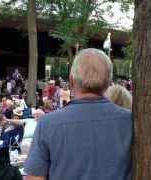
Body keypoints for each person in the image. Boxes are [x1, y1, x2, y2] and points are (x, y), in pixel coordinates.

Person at [24, 48, 132, 180]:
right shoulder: (130, 121)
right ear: (109, 82)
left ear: (71, 80)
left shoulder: (47, 124)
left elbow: (34, 178)